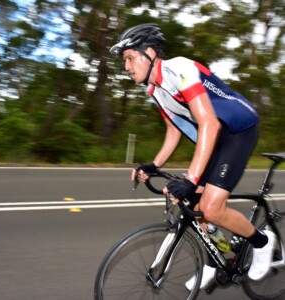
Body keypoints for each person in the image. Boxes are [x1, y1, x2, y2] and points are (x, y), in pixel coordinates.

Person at [109, 23, 276, 289]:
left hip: (238, 130)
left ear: (149, 53)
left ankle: (262, 242)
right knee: (194, 206)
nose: (126, 66)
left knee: (210, 208)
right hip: (216, 135)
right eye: (124, 60)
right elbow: (174, 130)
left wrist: (190, 177)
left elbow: (208, 123)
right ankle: (214, 260)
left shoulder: (179, 69)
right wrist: (154, 164)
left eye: (130, 58)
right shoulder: (155, 90)